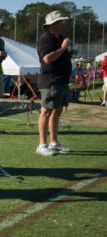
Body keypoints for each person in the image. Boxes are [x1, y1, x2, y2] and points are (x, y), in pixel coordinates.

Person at [36, 10, 72, 156]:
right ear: (52, 24)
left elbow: (63, 56)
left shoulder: (60, 37)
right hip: (50, 81)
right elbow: (47, 59)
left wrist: (66, 50)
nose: (62, 24)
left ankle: (53, 142)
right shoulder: (45, 39)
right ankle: (42, 145)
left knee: (57, 111)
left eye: (62, 22)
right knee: (46, 111)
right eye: (59, 22)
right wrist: (63, 48)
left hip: (62, 80)